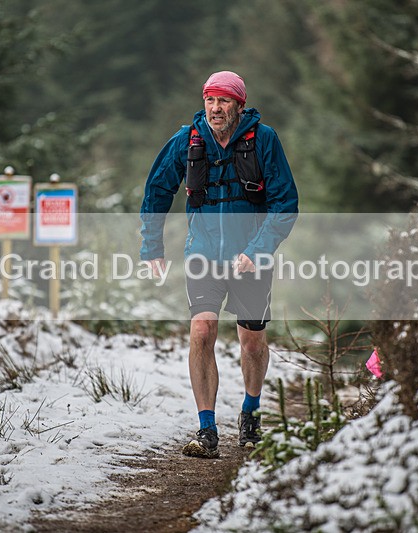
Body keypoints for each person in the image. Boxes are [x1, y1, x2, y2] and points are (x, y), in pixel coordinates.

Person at [139, 71, 299, 458]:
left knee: (252, 341)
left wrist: (258, 250)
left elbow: (286, 204)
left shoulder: (265, 140)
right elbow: (157, 189)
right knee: (201, 332)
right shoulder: (188, 139)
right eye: (210, 100)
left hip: (251, 259)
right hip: (203, 254)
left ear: (239, 106)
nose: (215, 108)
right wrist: (151, 247)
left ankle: (251, 412)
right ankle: (207, 429)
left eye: (224, 101)